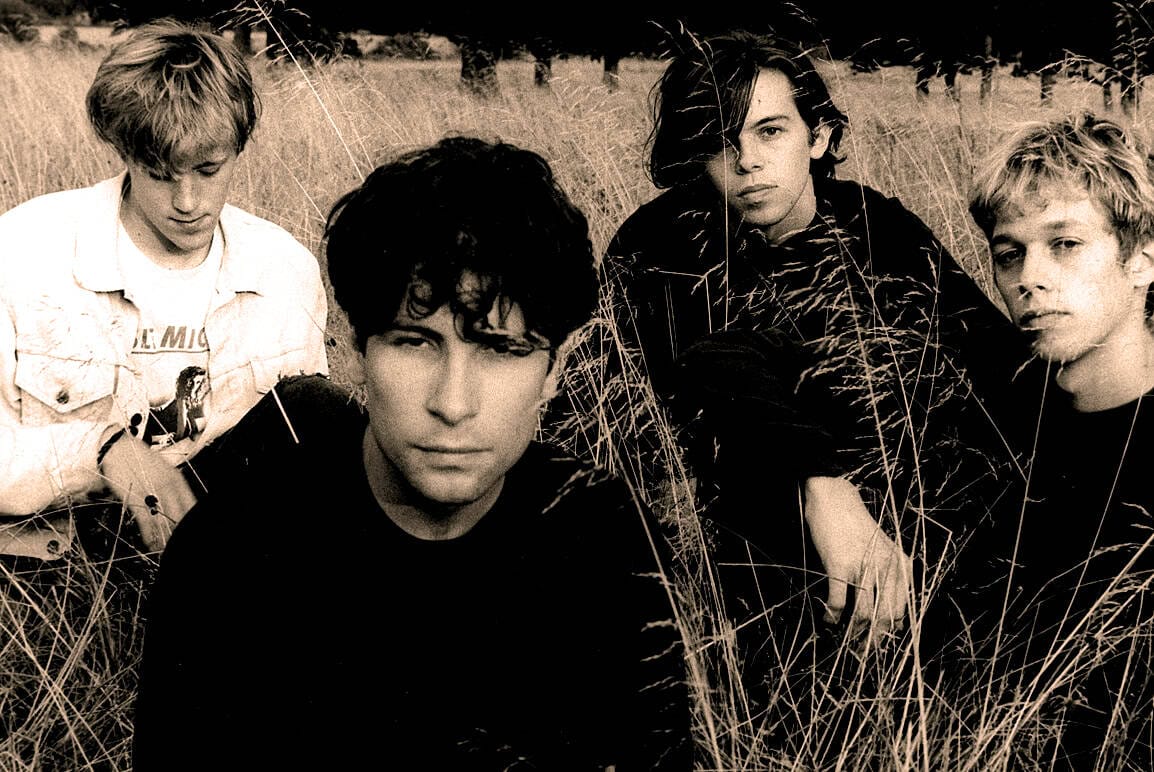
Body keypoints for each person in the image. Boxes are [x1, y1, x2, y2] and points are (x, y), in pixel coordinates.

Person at [132, 136, 693, 771]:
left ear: (554, 370)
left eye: (501, 350)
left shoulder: (607, 539)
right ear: (355, 353)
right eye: (414, 343)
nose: (453, 404)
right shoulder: (235, 552)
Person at [0, 19, 328, 558]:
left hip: (225, 547)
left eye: (208, 169)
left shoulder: (284, 270)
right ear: (124, 152)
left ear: (238, 147)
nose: (188, 202)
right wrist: (101, 451)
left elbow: (305, 463)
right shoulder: (23, 250)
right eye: (160, 173)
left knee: (319, 408)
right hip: (66, 552)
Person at [932, 112, 1154, 770]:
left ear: (1142, 258)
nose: (1029, 278)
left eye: (1065, 244)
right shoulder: (1000, 405)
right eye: (1010, 254)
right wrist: (825, 489)